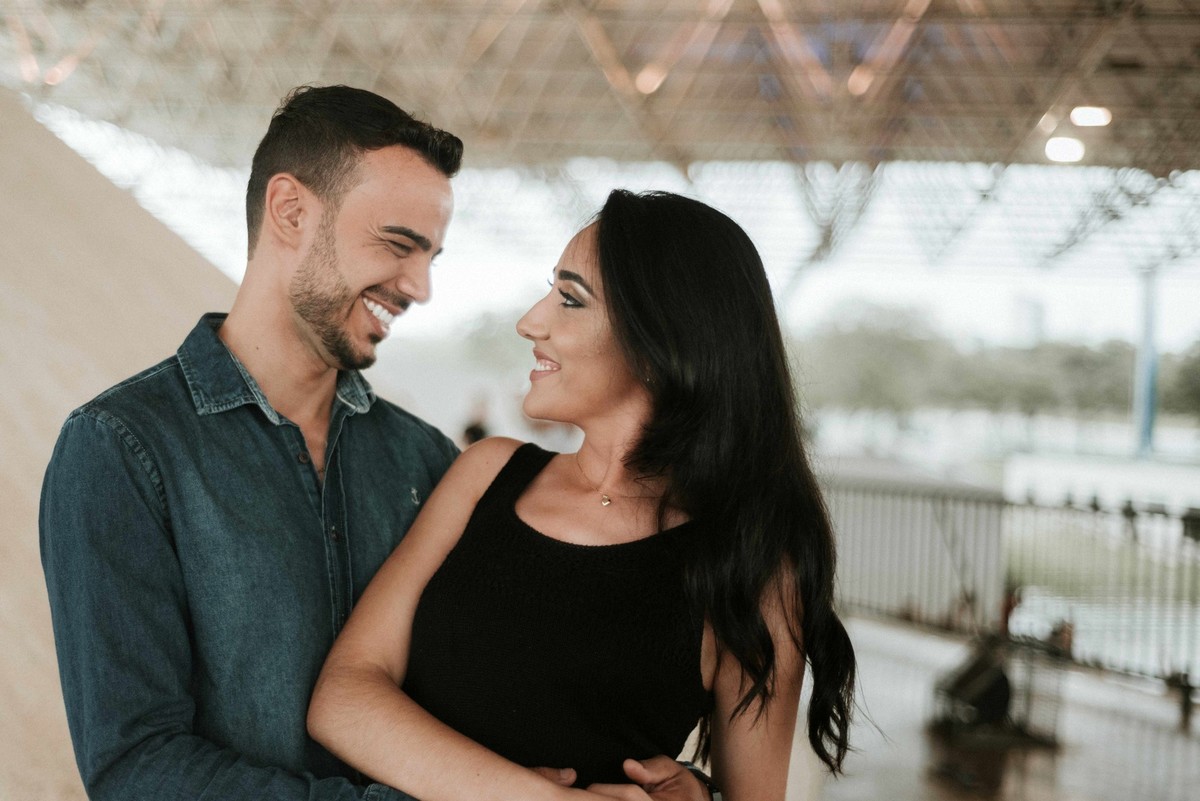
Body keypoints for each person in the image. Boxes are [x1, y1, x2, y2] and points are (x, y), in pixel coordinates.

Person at [40, 86, 706, 801]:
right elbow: (136, 767)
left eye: (432, 256)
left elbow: (514, 693)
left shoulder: (428, 462)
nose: (419, 286)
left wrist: (681, 786)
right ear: (290, 211)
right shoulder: (122, 449)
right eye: (398, 245)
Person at [308, 190, 858, 800]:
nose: (530, 322)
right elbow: (342, 699)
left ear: (660, 345)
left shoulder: (752, 569)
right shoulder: (486, 473)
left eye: (570, 299)